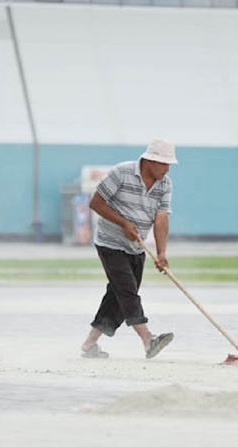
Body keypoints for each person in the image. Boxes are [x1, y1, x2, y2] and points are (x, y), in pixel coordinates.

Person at [81, 138, 177, 360]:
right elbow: (96, 202)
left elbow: (161, 219)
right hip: (110, 243)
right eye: (165, 163)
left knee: (117, 296)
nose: (168, 169)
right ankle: (148, 340)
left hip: (136, 247)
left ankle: (89, 345)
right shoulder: (121, 173)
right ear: (151, 161)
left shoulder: (165, 184)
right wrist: (123, 223)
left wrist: (161, 253)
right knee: (127, 292)